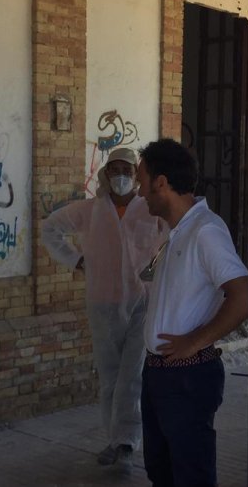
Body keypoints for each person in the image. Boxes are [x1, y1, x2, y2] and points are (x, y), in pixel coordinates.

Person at [41, 146, 167, 473]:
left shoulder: (149, 210)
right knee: (111, 376)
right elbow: (50, 228)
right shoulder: (89, 210)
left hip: (142, 303)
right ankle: (116, 439)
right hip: (103, 304)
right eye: (115, 170)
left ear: (137, 176)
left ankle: (127, 441)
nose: (121, 177)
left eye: (127, 170)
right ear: (105, 175)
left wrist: (162, 270)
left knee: (132, 375)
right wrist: (76, 259)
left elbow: (173, 236)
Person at [134, 139, 248, 487]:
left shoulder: (206, 231)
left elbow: (241, 297)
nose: (139, 191)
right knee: (162, 470)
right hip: (159, 373)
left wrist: (195, 342)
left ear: (161, 182)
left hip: (187, 378)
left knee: (190, 474)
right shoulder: (177, 231)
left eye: (142, 181)